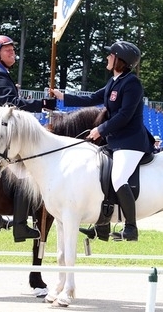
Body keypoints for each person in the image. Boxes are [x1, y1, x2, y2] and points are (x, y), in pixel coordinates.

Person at [52, 40, 153, 241]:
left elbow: (124, 115)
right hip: (115, 141)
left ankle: (131, 228)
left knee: (118, 179)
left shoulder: (132, 83)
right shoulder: (114, 81)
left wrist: (100, 129)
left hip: (131, 142)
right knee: (98, 174)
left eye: (110, 55)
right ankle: (102, 224)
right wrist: (63, 97)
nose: (107, 57)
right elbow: (91, 99)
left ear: (119, 60)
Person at [0, 35, 57, 243]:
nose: (13, 52)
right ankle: (20, 226)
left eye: (13, 49)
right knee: (25, 172)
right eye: (8, 50)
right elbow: (12, 103)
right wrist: (43, 104)